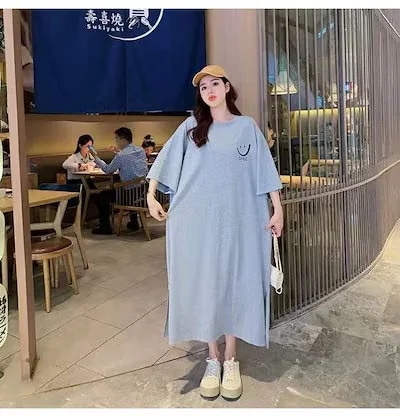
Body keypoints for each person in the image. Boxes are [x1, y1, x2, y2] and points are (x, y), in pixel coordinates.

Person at [146, 65, 283, 401]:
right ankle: (213, 357)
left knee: (235, 282)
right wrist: (151, 195)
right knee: (207, 282)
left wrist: (278, 208)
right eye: (203, 86)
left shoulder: (246, 127)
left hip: (239, 221)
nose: (209, 90)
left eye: (214, 84)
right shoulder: (192, 127)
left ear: (227, 87)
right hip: (198, 222)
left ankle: (231, 358)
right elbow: (165, 161)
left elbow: (264, 170)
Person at [89, 127, 148, 235]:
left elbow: (108, 170)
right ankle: (134, 222)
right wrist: (117, 151)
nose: (116, 141)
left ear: (122, 139)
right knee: (130, 187)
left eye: (116, 139)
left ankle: (105, 227)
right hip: (142, 191)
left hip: (128, 195)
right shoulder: (140, 150)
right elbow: (129, 159)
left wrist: (96, 157)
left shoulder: (121, 156)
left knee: (102, 197)